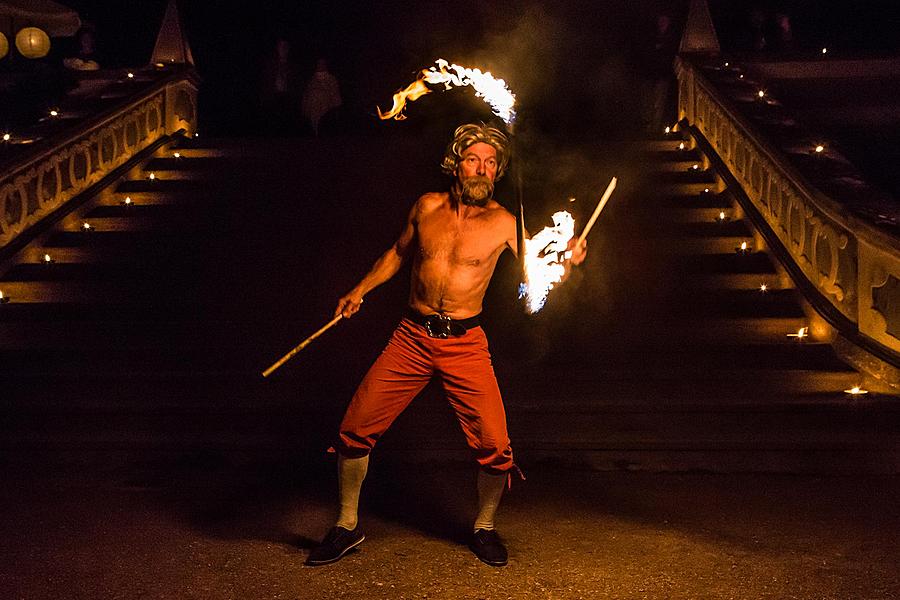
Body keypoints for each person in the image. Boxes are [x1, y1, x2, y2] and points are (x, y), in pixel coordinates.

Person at [305, 123, 586, 567]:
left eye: (492, 163)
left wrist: (566, 263)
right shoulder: (426, 206)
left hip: (465, 344)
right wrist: (359, 290)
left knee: (496, 444)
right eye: (474, 159)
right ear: (456, 162)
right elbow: (398, 253)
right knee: (354, 427)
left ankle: (485, 528)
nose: (483, 169)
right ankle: (346, 525)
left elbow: (540, 277)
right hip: (412, 337)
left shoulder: (505, 223)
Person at [301, 58, 341, 136]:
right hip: (312, 113)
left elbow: (336, 98)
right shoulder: (311, 79)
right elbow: (306, 96)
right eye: (319, 63)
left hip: (326, 112)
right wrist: (304, 110)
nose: (320, 65)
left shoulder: (331, 79)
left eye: (322, 63)